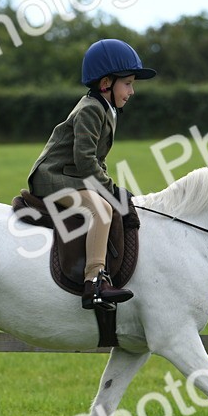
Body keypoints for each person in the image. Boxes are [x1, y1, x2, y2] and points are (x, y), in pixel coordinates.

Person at [27, 38, 156, 310]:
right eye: (128, 83)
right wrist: (110, 189)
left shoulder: (105, 109)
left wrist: (111, 186)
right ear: (106, 83)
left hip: (71, 176)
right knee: (101, 209)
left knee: (108, 202)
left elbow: (96, 160)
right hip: (54, 178)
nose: (132, 91)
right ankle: (94, 282)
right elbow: (85, 162)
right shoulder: (90, 110)